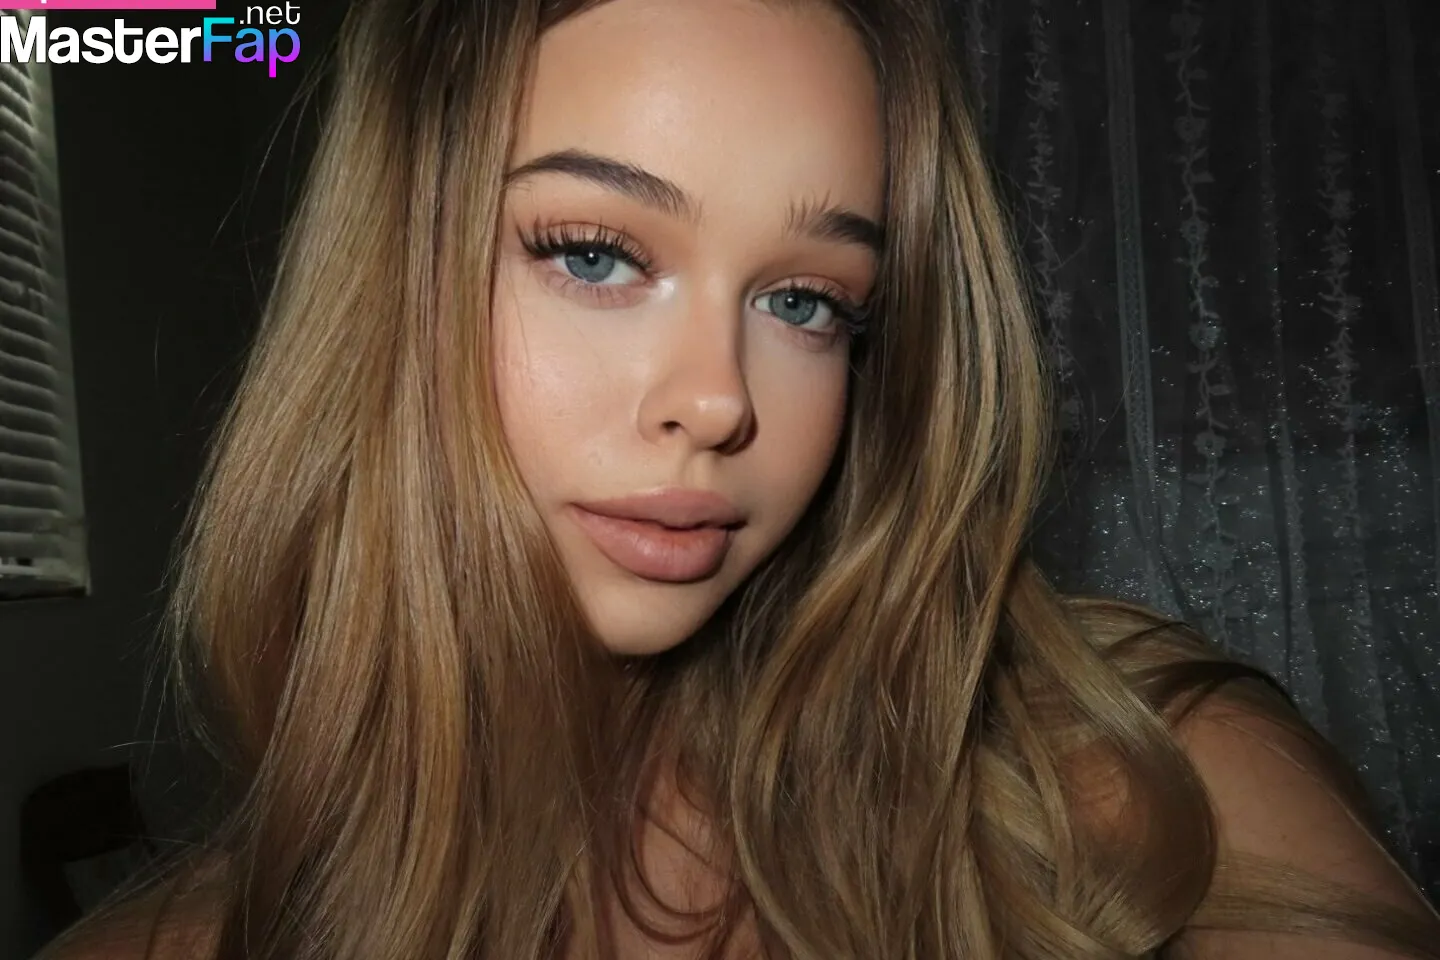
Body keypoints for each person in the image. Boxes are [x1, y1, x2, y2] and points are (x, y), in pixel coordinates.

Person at [41, 0, 1440, 957]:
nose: (719, 399)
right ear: (383, 290)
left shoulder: (1143, 780)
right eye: (595, 253)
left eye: (806, 301)